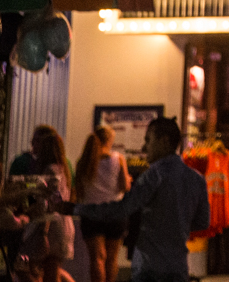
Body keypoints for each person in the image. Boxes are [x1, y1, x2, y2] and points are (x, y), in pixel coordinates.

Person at [63, 117, 208, 282]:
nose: (144, 147)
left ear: (164, 141)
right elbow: (203, 222)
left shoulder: (153, 176)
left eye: (148, 140)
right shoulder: (197, 179)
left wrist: (76, 209)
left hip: (149, 267)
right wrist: (176, 224)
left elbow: (122, 209)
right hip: (178, 266)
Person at [74, 125, 132, 282]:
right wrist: (128, 181)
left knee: (97, 258)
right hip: (115, 212)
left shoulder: (83, 162)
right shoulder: (118, 159)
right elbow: (124, 187)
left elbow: (78, 190)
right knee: (111, 258)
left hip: (91, 212)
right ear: (110, 141)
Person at [22, 130, 76, 282]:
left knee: (36, 268)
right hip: (64, 224)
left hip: (52, 227)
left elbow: (49, 203)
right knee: (53, 269)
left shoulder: (50, 170)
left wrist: (43, 233)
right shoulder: (64, 168)